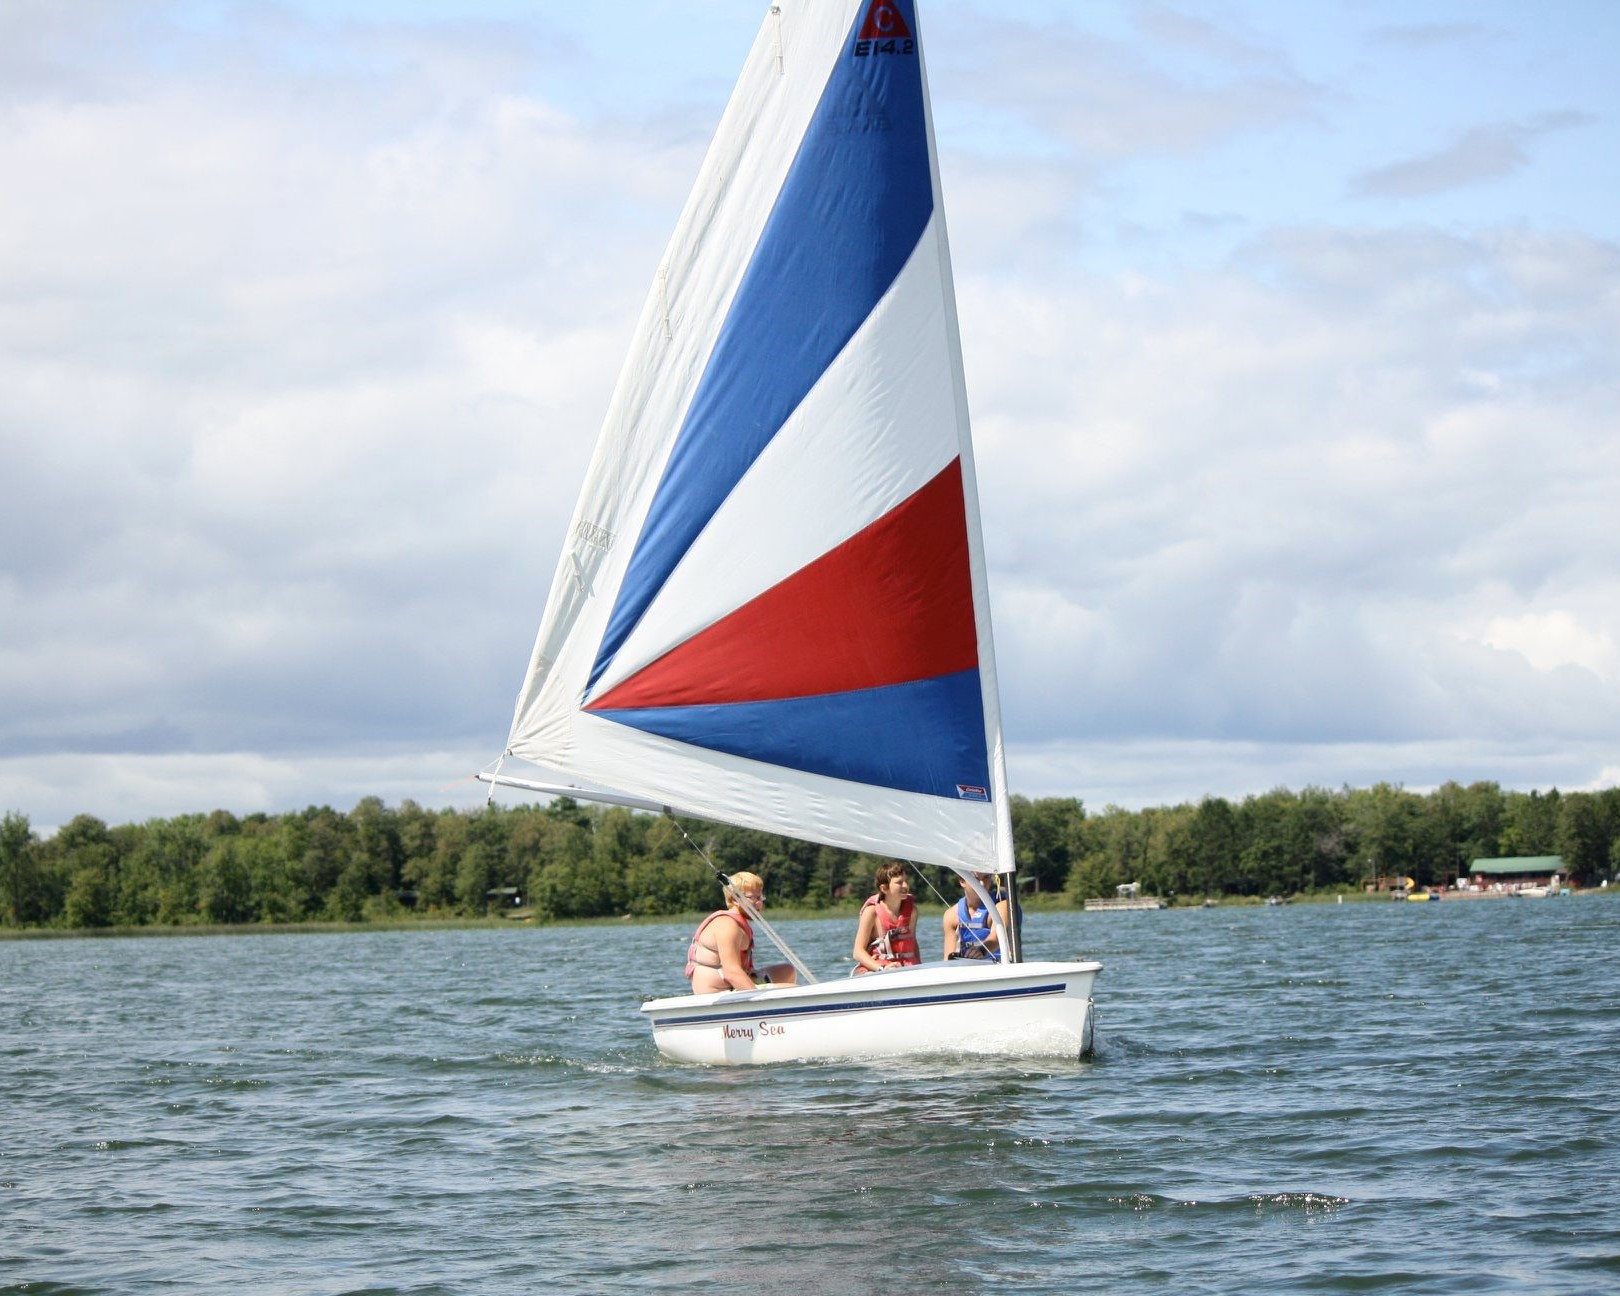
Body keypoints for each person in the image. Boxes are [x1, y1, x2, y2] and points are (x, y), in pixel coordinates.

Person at [685, 872, 796, 995]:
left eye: (760, 897)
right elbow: (731, 972)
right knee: (793, 990)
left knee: (787, 971)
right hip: (718, 991)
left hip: (735, 984)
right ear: (735, 899)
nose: (759, 903)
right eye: (754, 898)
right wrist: (758, 998)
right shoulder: (728, 925)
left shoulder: (738, 922)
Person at [852, 862, 921, 974]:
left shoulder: (912, 911)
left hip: (907, 967)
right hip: (879, 969)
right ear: (884, 888)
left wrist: (919, 968)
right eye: (899, 882)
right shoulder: (871, 912)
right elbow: (858, 952)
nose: (905, 886)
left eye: (906, 881)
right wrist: (882, 969)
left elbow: (913, 943)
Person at [943, 872, 1010, 961]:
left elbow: (997, 938)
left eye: (986, 877)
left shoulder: (1002, 906)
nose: (982, 883)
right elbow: (948, 958)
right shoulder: (951, 915)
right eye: (976, 879)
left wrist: (981, 951)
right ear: (962, 881)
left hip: (999, 967)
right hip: (969, 969)